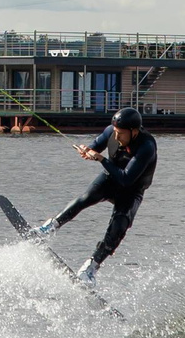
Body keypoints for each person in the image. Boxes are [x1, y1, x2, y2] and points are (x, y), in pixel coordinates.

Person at [32, 106, 159, 283]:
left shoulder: (147, 146)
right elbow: (96, 145)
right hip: (110, 179)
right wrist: (87, 150)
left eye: (121, 133)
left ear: (134, 131)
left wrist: (100, 158)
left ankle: (90, 267)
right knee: (85, 198)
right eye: (115, 132)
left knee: (119, 226)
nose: (117, 136)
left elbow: (126, 179)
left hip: (131, 189)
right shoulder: (111, 132)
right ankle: (48, 228)